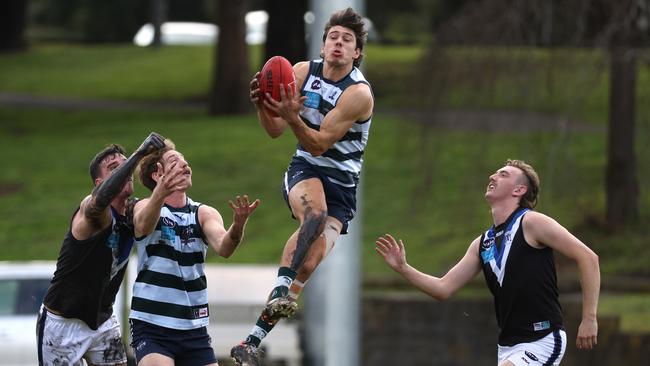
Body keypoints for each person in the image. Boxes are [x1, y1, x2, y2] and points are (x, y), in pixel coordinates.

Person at [230, 7, 374, 366]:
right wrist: (263, 105)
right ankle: (280, 287)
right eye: (333, 38)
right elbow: (277, 131)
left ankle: (250, 342)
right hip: (305, 170)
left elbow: (321, 141)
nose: (338, 44)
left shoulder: (358, 94)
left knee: (308, 265)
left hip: (341, 186)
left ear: (356, 52)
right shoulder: (299, 72)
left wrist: (293, 116)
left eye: (347, 40)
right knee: (314, 215)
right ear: (323, 45)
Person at [375, 159, 600, 365]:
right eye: (495, 173)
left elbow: (588, 258)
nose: (493, 176)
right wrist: (403, 269)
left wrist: (589, 318)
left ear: (519, 190)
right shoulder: (483, 243)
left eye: (503, 174)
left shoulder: (532, 223)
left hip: (542, 339)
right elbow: (443, 288)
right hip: (507, 347)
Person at [37, 132, 166, 366]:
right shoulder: (91, 209)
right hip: (63, 323)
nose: (126, 169)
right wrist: (138, 155)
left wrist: (164, 185)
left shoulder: (132, 211)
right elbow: (98, 204)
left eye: (126, 164)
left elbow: (147, 220)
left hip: (103, 322)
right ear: (99, 183)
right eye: (115, 167)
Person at [129, 138, 260, 366]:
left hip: (193, 327)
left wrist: (238, 225)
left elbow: (224, 247)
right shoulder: (144, 206)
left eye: (184, 160)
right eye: (174, 161)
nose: (184, 164)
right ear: (157, 175)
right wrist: (161, 193)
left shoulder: (203, 213)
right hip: (153, 324)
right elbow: (142, 225)